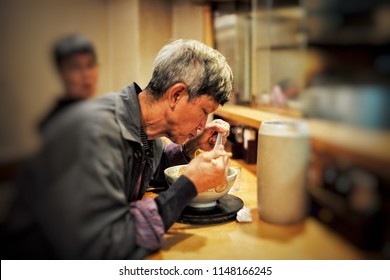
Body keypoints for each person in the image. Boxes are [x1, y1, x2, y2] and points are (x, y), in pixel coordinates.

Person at [3, 39, 233, 259]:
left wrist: (191, 147)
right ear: (176, 95)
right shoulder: (95, 134)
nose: (203, 124)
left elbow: (153, 165)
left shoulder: (143, 127)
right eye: (204, 111)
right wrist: (188, 186)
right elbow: (104, 244)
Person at [39, 34, 99, 130]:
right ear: (61, 73)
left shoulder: (98, 113)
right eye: (76, 67)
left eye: (90, 65)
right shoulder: (55, 124)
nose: (86, 74)